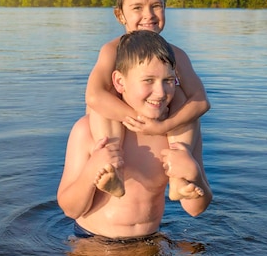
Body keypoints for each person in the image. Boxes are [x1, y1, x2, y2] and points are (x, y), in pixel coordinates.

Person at [57, 30, 212, 239]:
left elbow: (196, 209)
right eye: (148, 80)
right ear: (120, 82)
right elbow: (70, 210)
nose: (160, 92)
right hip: (93, 242)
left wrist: (195, 177)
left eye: (168, 80)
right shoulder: (88, 131)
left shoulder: (178, 134)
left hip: (150, 242)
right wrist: (92, 170)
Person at [84, 0, 210, 199]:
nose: (148, 15)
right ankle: (114, 170)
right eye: (137, 8)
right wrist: (138, 119)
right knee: (105, 97)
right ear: (119, 14)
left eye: (156, 6)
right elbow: (93, 96)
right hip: (122, 123)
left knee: (182, 97)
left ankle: (178, 180)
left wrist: (163, 126)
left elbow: (201, 100)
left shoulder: (176, 55)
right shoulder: (112, 51)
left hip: (158, 120)